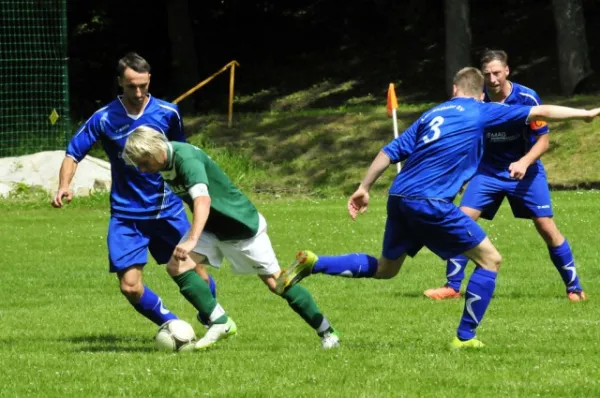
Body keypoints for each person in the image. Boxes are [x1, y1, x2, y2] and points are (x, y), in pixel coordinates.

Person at [276, 67, 599, 349]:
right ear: (479, 93)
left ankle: (314, 263)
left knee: (387, 270)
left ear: (454, 90)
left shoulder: (431, 114)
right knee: (490, 261)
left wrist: (363, 187)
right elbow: (538, 111)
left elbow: (389, 151)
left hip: (399, 197)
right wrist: (583, 114)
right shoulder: (481, 111)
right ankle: (465, 337)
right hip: (429, 202)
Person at [121, 126, 340, 350]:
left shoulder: (186, 159)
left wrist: (192, 239)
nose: (143, 169)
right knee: (177, 266)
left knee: (277, 284)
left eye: (144, 163)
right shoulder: (164, 163)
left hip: (240, 227)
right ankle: (220, 322)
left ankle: (327, 332)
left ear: (156, 149)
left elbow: (203, 200)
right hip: (213, 228)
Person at [51, 52, 220, 335]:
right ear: (120, 82)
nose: (139, 92)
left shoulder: (167, 113)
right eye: (131, 86)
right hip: (126, 216)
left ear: (150, 79)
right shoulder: (103, 118)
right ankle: (172, 325)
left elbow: (182, 154)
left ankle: (214, 315)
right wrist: (64, 186)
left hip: (167, 209)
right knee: (129, 286)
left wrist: (196, 192)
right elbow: (73, 153)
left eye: (143, 85)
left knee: (198, 276)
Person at [423, 50, 586, 302]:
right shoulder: (476, 100)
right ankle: (452, 287)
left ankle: (574, 288)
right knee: (461, 222)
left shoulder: (526, 97)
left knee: (546, 227)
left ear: (507, 71)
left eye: (497, 72)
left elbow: (543, 142)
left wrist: (523, 161)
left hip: (526, 171)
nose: (493, 79)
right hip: (488, 172)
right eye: (487, 74)